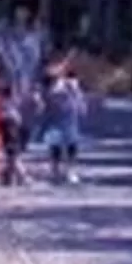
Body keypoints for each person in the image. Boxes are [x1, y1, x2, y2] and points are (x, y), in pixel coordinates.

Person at [0, 0, 47, 189]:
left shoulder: (38, 33)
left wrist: (42, 86)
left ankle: (11, 167)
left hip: (29, 87)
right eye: (19, 9)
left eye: (26, 10)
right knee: (9, 126)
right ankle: (20, 170)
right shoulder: (1, 30)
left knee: (24, 131)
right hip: (7, 85)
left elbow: (44, 60)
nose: (22, 14)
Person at [38, 54, 87, 184]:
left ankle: (70, 170)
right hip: (54, 118)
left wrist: (81, 107)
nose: (54, 70)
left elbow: (78, 97)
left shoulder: (69, 83)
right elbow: (42, 100)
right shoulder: (46, 84)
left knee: (72, 144)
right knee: (55, 145)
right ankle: (55, 170)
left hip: (69, 118)